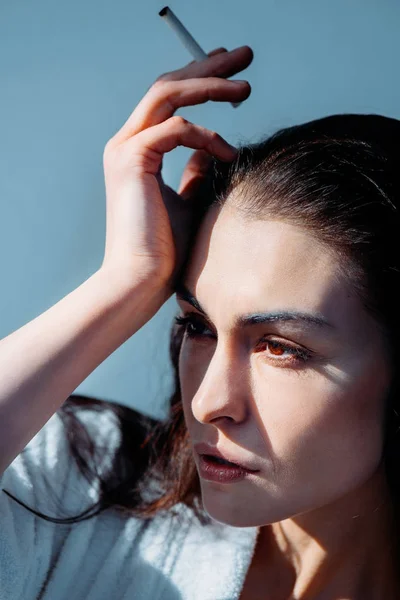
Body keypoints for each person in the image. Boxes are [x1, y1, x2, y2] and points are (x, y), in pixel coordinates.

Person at [0, 43, 399, 599]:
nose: (210, 403)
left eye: (281, 348)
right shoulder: (78, 488)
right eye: (198, 326)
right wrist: (126, 281)